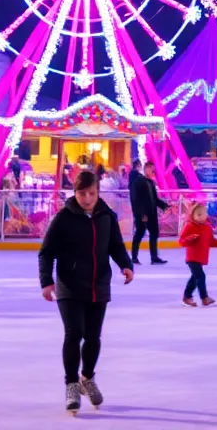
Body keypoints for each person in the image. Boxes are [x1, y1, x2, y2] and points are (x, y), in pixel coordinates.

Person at [38, 170, 134, 415]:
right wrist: (46, 282)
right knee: (74, 332)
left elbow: (115, 246)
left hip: (98, 284)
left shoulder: (106, 217)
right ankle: (71, 384)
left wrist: (126, 265)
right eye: (82, 193)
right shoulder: (63, 218)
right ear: (75, 192)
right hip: (69, 286)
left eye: (91, 193)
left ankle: (87, 378)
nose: (87, 198)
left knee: (93, 336)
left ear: (98, 192)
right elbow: (46, 252)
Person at [178, 202, 217, 307]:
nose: (201, 217)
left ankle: (187, 296)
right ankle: (204, 297)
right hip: (192, 257)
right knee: (200, 276)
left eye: (203, 214)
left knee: (195, 277)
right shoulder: (189, 226)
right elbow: (181, 241)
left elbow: (210, 240)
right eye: (198, 214)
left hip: (201, 257)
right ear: (192, 215)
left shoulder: (207, 228)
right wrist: (189, 239)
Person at [128, 162, 168, 265]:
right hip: (142, 214)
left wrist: (165, 206)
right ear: (146, 169)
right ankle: (134, 257)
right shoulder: (138, 182)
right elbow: (136, 200)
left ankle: (154, 257)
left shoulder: (150, 183)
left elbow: (154, 199)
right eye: (151, 170)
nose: (153, 172)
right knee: (139, 234)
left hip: (152, 213)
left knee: (154, 233)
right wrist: (141, 214)